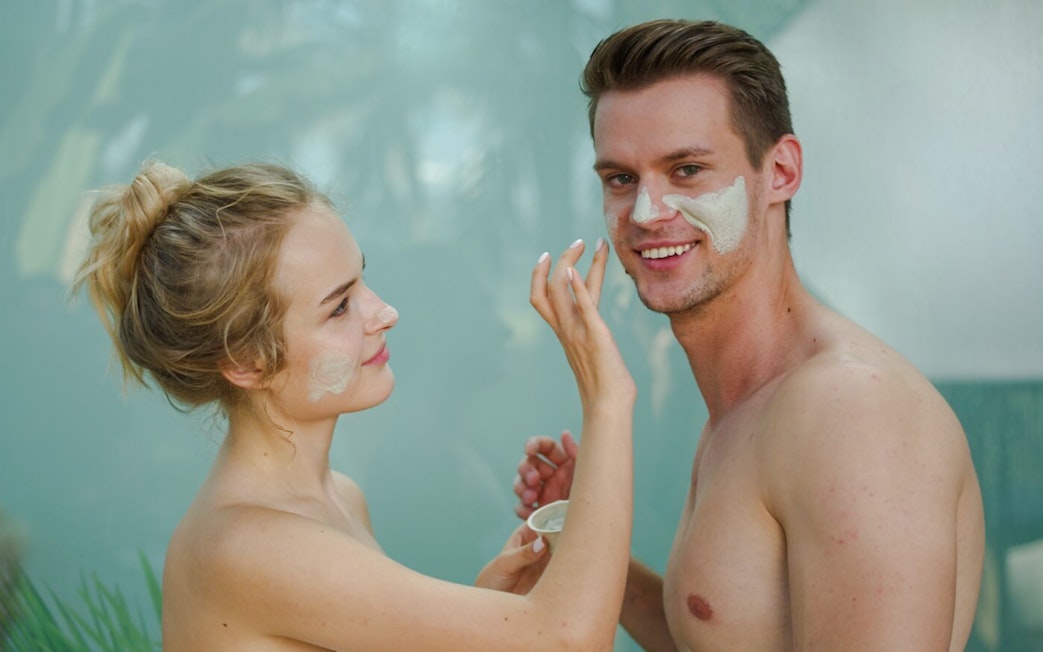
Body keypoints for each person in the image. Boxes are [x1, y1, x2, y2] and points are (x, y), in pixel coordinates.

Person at [514, 18, 985, 651]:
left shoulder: (853, 413)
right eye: (621, 178)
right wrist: (587, 534)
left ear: (781, 171)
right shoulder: (748, 405)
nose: (648, 214)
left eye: (686, 170)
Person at [73, 160, 636, 650]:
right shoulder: (243, 547)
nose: (384, 312)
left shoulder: (341, 498)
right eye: (339, 307)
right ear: (246, 361)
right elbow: (570, 641)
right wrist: (607, 401)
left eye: (361, 281)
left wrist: (485, 612)